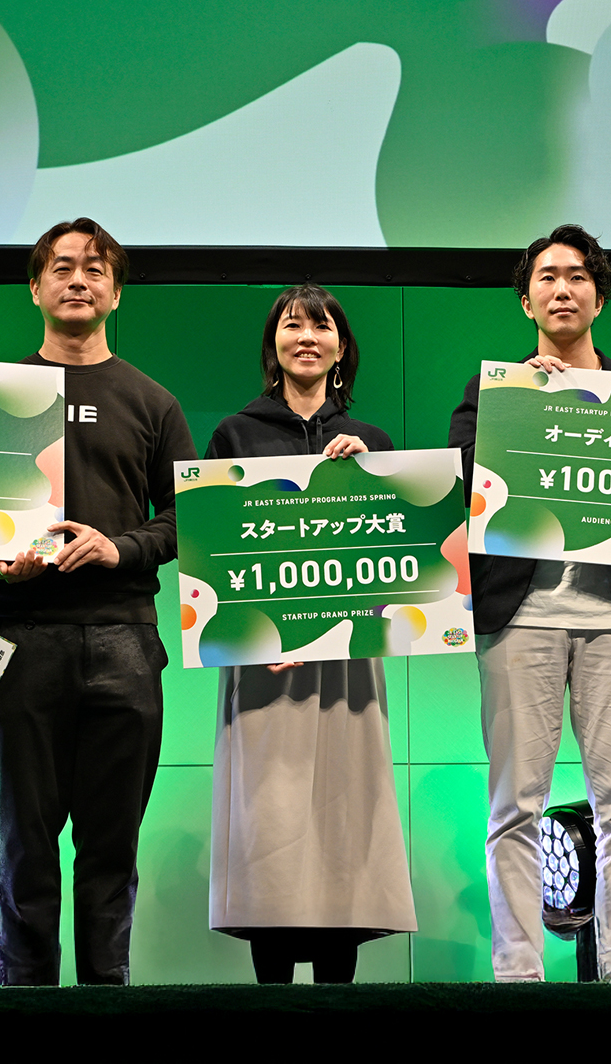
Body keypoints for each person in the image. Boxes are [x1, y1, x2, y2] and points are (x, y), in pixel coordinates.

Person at [447, 224, 611, 983]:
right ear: (526, 300)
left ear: (598, 298)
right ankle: (517, 974)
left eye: (577, 277)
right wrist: (531, 403)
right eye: (547, 277)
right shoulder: (493, 392)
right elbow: (467, 486)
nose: (562, 288)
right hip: (523, 618)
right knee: (516, 804)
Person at [0, 218, 196, 986]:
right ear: (35, 286)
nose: (78, 278)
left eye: (95, 268)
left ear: (115, 292)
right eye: (62, 266)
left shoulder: (152, 401)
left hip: (124, 641)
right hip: (18, 639)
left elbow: (185, 519)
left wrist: (118, 546)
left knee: (110, 851)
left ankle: (107, 1005)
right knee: (25, 846)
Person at [204, 286, 418, 984]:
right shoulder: (234, 437)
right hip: (267, 668)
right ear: (272, 346)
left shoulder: (373, 443)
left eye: (320, 325)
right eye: (291, 324)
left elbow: (404, 565)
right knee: (271, 828)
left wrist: (372, 478)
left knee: (341, 824)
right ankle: (272, 999)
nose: (306, 336)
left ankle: (337, 997)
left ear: (341, 347)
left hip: (347, 671)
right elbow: (213, 562)